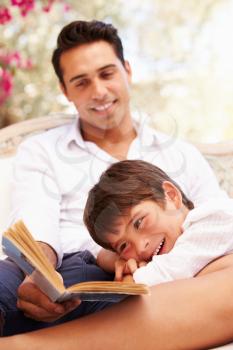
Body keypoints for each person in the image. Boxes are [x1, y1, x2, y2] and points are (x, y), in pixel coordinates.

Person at [0, 19, 231, 343]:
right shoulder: (42, 150)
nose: (99, 91)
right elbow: (36, 221)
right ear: (65, 91)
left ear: (127, 70)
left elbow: (215, 228)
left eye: (107, 74)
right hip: (61, 267)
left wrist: (145, 268)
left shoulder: (179, 153)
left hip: (149, 284)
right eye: (81, 82)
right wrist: (38, 271)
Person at [84, 159, 233, 285]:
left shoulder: (213, 217)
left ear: (170, 195)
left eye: (139, 222)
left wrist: (129, 279)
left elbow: (168, 273)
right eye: (123, 246)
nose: (141, 247)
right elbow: (104, 257)